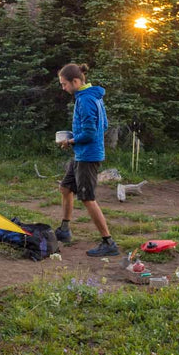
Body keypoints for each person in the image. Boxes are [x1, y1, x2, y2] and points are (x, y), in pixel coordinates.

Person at [55, 63, 120, 257]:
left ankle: (108, 242)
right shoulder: (92, 96)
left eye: (64, 84)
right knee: (66, 188)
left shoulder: (85, 100)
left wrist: (71, 140)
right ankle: (65, 230)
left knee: (88, 198)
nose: (63, 88)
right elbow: (104, 124)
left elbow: (91, 132)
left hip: (88, 156)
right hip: (82, 154)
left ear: (75, 81)